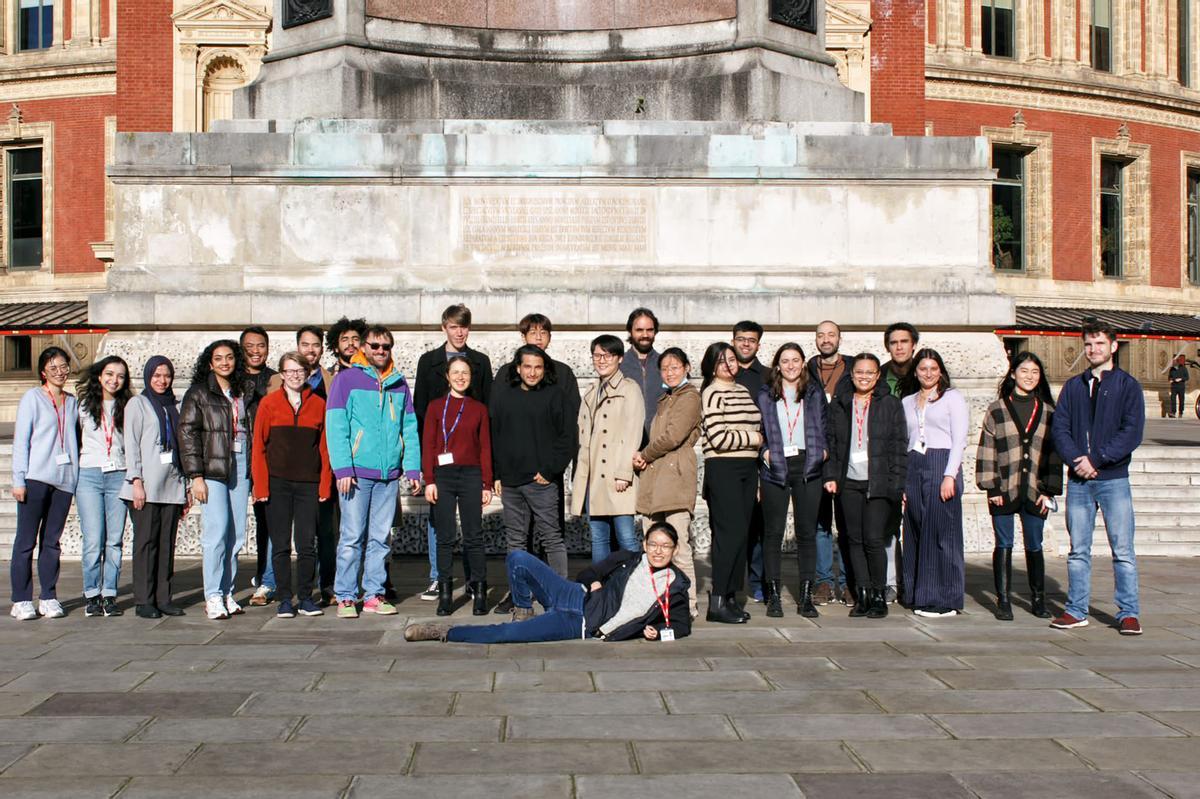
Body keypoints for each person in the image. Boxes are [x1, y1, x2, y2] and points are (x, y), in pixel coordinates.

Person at [403, 522, 690, 644]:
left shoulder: (675, 586)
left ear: (675, 549)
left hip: (579, 625)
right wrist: (594, 583)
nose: (658, 551)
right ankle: (524, 608)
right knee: (518, 558)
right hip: (574, 595)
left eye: (665, 546)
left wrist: (655, 632)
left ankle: (444, 632)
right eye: (653, 544)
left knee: (506, 636)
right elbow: (588, 573)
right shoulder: (628, 557)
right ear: (645, 543)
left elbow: (681, 626)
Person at [1050, 322, 1145, 635]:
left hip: (1113, 479)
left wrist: (1097, 459)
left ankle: (1128, 613)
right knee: (1079, 550)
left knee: (1123, 550)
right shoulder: (1073, 387)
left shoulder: (1127, 386)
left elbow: (1131, 432)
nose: (1093, 350)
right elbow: (1060, 429)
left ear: (1113, 346)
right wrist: (1077, 460)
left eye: (1100, 344)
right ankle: (1076, 610)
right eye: (1089, 344)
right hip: (1079, 480)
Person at [326, 325, 422, 619]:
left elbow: (409, 427)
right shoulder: (346, 380)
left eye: (386, 346)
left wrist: (412, 468)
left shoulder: (398, 382)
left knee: (381, 538)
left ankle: (374, 594)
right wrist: (342, 467)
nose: (381, 351)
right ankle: (345, 596)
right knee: (352, 536)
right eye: (375, 346)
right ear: (363, 348)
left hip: (387, 475)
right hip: (356, 473)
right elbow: (336, 425)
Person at [489, 314, 579, 614]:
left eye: (538, 367)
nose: (532, 372)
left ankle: (562, 597)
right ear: (518, 368)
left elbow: (567, 436)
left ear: (545, 369)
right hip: (511, 481)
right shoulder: (504, 394)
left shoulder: (556, 395)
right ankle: (521, 598)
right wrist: (498, 473)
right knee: (516, 541)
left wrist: (551, 470)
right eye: (527, 366)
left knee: (551, 537)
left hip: (541, 481)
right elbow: (496, 434)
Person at [414, 304, 493, 602]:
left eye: (464, 326)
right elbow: (421, 410)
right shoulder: (428, 362)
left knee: (473, 530)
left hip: (469, 459)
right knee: (441, 525)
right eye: (453, 326)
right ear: (444, 327)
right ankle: (439, 579)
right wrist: (427, 470)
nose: (459, 332)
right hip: (441, 460)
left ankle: (475, 583)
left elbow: (486, 416)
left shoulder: (480, 362)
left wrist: (488, 476)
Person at [976, 352, 1063, 620]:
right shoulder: (997, 409)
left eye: (1035, 372)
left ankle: (1038, 599)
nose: (1029, 377)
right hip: (1004, 488)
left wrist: (1049, 490)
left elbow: (1054, 453)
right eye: (1024, 371)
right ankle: (1003, 601)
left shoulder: (1049, 411)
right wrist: (991, 488)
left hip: (1035, 490)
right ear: (1013, 373)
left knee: (1034, 543)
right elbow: (987, 449)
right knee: (1004, 542)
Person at [823, 353, 907, 619]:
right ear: (852, 374)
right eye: (859, 372)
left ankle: (879, 594)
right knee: (853, 540)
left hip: (878, 483)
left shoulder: (890, 404)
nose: (864, 376)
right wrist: (831, 476)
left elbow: (898, 446)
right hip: (849, 482)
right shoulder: (841, 403)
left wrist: (896, 483)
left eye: (870, 372)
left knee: (873, 540)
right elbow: (832, 443)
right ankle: (863, 595)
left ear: (877, 375)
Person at [252, 352, 333, 619]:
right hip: (278, 484)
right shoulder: (268, 404)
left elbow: (324, 448)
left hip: (308, 484)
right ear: (282, 374)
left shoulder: (319, 404)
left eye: (300, 370)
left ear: (308, 373)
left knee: (307, 543)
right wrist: (261, 487)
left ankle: (307, 598)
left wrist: (324, 485)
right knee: (281, 544)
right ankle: (285, 599)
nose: (295, 375)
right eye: (290, 371)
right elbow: (259, 449)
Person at [180, 340, 253, 621]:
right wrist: (195, 476)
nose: (225, 362)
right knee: (216, 531)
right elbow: (187, 434)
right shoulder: (199, 393)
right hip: (212, 468)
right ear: (209, 363)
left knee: (235, 534)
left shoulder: (242, 391)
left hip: (240, 462)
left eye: (230, 357)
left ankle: (227, 591)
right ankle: (211, 594)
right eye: (218, 358)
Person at [756, 343, 828, 618]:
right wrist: (764, 453)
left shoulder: (813, 393)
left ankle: (806, 596)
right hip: (775, 465)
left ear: (802, 363)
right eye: (784, 361)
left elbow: (826, 424)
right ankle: (774, 595)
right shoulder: (766, 395)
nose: (790, 365)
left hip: (807, 464)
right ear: (777, 365)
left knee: (806, 533)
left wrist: (823, 451)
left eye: (795, 360)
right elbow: (758, 427)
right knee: (772, 533)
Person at [10, 346, 78, 621]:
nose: (60, 372)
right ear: (43, 372)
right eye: (53, 368)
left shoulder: (72, 402)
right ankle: (21, 599)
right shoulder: (33, 398)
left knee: (52, 542)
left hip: (64, 481)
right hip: (36, 478)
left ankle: (48, 596)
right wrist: (19, 479)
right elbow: (21, 440)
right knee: (26, 542)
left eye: (63, 367)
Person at [634, 347, 702, 618]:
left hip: (674, 477)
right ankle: (657, 601)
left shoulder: (689, 397)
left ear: (686, 367)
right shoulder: (666, 398)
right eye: (665, 368)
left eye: (675, 366)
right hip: (656, 477)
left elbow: (674, 436)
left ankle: (688, 604)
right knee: (653, 545)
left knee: (678, 545)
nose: (670, 372)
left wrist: (644, 455)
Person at [901, 349, 969, 618]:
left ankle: (943, 598)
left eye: (933, 368)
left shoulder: (952, 398)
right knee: (916, 529)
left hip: (942, 462)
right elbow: (905, 438)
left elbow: (959, 439)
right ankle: (917, 592)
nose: (928, 373)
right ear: (915, 371)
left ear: (940, 370)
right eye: (922, 368)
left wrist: (950, 475)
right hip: (914, 464)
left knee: (941, 532)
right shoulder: (907, 401)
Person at [699, 341, 763, 624]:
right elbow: (719, 437)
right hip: (723, 467)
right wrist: (754, 439)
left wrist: (753, 439)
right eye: (722, 361)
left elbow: (755, 424)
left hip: (748, 468)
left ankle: (730, 597)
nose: (729, 365)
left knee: (743, 534)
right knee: (729, 534)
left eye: (732, 360)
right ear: (712, 366)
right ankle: (717, 601)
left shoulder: (743, 390)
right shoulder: (711, 393)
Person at [122, 356, 188, 619]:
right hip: (146, 485)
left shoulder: (175, 404)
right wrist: (135, 481)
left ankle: (163, 597)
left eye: (167, 375)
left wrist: (184, 486)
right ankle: (144, 599)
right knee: (146, 543)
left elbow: (181, 447)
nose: (162, 381)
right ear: (148, 376)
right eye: (157, 375)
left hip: (171, 484)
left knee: (166, 544)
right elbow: (132, 443)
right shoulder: (138, 404)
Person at [572, 334, 645, 562]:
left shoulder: (629, 389)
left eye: (608, 355)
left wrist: (625, 473)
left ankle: (638, 587)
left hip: (617, 477)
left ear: (620, 359)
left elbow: (633, 432)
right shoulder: (592, 392)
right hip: (593, 479)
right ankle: (601, 590)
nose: (602, 360)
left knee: (626, 538)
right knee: (598, 539)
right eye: (597, 355)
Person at [75, 355, 133, 617]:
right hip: (89, 474)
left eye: (120, 376)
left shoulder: (128, 406)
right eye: (110, 374)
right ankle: (91, 593)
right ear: (99, 375)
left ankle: (109, 593)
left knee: (114, 540)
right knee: (93, 539)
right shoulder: (83, 406)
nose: (114, 380)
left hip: (118, 475)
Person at [808, 320, 854, 606]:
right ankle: (823, 582)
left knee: (848, 522)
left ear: (840, 338)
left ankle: (848, 582)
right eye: (821, 335)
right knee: (820, 523)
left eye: (831, 335)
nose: (826, 340)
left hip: (847, 453)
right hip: (817, 455)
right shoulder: (807, 370)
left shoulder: (852, 369)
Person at [880, 321, 920, 604]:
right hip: (888, 458)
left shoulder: (926, 372)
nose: (899, 347)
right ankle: (891, 582)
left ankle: (917, 581)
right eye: (894, 343)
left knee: (918, 523)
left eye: (904, 342)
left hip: (920, 457)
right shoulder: (880, 376)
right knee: (888, 524)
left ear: (913, 344)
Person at [241, 326, 278, 608]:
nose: (256, 351)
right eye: (250, 346)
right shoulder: (232, 380)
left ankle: (267, 578)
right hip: (236, 459)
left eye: (261, 345)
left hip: (266, 458)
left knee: (267, 521)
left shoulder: (274, 380)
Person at [732, 320, 768, 603]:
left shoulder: (767, 377)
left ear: (758, 344)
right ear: (733, 340)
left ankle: (758, 581)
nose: (745, 344)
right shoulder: (721, 374)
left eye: (751, 340)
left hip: (759, 460)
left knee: (758, 527)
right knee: (731, 527)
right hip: (729, 461)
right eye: (741, 339)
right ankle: (730, 582)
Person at [619, 307, 663, 434]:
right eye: (639, 330)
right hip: (627, 442)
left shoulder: (667, 365)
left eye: (649, 330)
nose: (645, 335)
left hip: (660, 444)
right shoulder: (618, 365)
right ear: (630, 331)